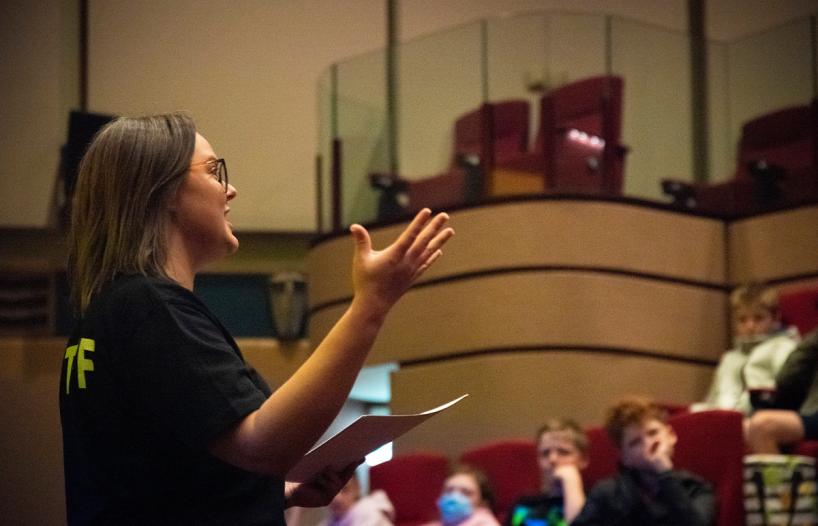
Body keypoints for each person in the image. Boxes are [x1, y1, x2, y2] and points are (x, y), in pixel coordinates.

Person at [59, 112, 454, 525]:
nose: (230, 190)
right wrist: (371, 305)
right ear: (163, 190)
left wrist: (276, 496)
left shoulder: (105, 315)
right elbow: (265, 446)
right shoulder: (150, 307)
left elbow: (161, 481)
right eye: (214, 172)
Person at [572, 396, 714, 526]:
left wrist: (665, 473)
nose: (648, 444)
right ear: (625, 458)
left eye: (653, 433)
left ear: (671, 435)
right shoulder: (607, 493)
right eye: (635, 442)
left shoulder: (695, 488)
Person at [691, 283, 800, 415]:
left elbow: (787, 389)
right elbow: (712, 399)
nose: (750, 326)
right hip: (724, 419)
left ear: (775, 318)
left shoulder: (783, 347)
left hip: (761, 417)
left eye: (758, 318)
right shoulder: (729, 358)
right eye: (742, 320)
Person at [746, 330, 818, 453]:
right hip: (810, 409)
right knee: (745, 428)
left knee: (763, 425)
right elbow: (787, 378)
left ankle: (776, 473)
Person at [506, 419, 588, 526]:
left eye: (563, 452)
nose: (552, 459)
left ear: (583, 460)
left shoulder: (597, 501)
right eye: (545, 453)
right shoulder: (524, 505)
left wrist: (571, 482)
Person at [425, 465, 500, 526]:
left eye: (466, 493)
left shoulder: (485, 523)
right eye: (449, 491)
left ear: (482, 503)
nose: (454, 497)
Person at [317, 475, 395, 526]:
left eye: (345, 490)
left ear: (357, 488)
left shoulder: (368, 510)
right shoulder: (329, 521)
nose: (337, 499)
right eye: (330, 493)